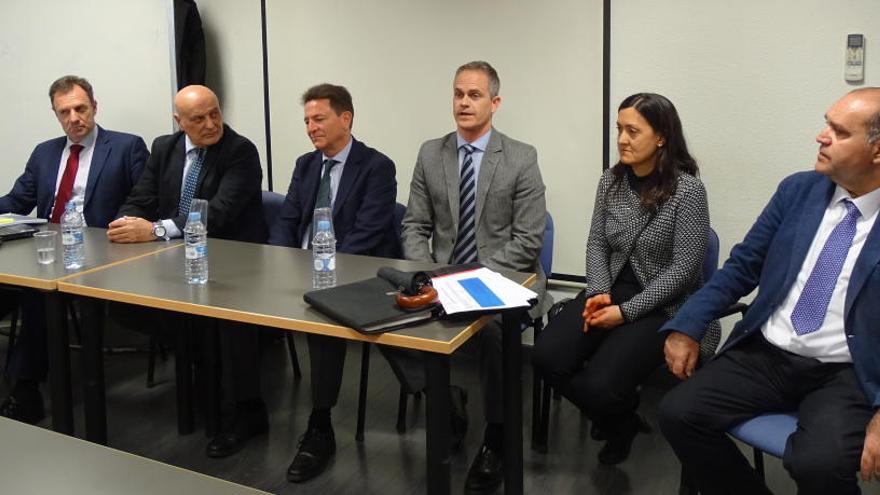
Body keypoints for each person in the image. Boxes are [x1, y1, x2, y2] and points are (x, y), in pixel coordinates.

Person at [658, 87, 880, 495]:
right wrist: (688, 324)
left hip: (845, 373)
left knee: (818, 464)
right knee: (677, 412)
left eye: (839, 132)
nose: (821, 136)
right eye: (825, 123)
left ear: (877, 151)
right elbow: (742, 267)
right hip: (768, 353)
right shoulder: (797, 191)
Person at [381, 60, 546, 495]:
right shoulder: (431, 153)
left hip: (504, 277)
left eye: (474, 95)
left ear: (495, 102)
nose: (464, 103)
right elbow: (415, 225)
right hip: (441, 276)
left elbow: (528, 241)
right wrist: (431, 274)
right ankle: (449, 401)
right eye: (458, 94)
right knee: (385, 314)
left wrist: (466, 279)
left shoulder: (521, 157)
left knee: (493, 335)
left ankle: (495, 434)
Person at [532, 93, 713, 465]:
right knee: (547, 358)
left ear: (661, 136)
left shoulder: (688, 191)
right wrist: (599, 293)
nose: (622, 139)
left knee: (599, 386)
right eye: (619, 129)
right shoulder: (610, 182)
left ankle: (616, 420)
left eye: (633, 131)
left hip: (663, 304)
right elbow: (597, 243)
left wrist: (625, 312)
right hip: (610, 288)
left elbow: (684, 270)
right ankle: (623, 419)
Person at [108, 85, 269, 459]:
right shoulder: (164, 147)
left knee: (229, 321)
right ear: (178, 122)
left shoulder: (239, 150)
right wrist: (124, 221)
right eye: (199, 118)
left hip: (234, 263)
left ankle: (246, 410)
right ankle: (200, 385)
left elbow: (219, 212)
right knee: (123, 303)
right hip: (174, 262)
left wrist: (156, 230)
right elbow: (142, 197)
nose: (212, 124)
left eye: (215, 113)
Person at [268, 83, 397, 483]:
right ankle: (242, 408)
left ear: (346, 118)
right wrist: (276, 262)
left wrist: (322, 270)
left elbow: (367, 234)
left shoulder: (376, 166)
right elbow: (287, 222)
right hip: (297, 272)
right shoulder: (306, 165)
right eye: (306, 120)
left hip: (350, 276)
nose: (311, 127)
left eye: (319, 118)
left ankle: (319, 426)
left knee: (325, 325)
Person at [0, 75, 148, 424]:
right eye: (64, 112)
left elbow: (142, 201)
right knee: (31, 287)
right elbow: (18, 200)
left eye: (80, 109)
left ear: (95, 107)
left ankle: (25, 391)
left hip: (103, 253)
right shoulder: (45, 153)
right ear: (56, 114)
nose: (73, 118)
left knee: (38, 296)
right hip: (46, 250)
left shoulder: (127, 147)